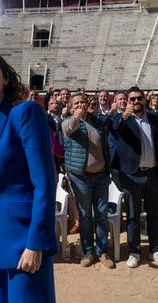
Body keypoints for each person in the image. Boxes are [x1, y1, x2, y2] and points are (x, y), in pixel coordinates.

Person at [0, 49, 57, 302]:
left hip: (23, 240)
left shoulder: (25, 113)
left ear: (5, 78)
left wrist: (36, 242)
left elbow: (45, 183)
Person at [112, 86, 158, 268]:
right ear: (128, 101)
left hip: (153, 173)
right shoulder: (122, 119)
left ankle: (156, 249)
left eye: (139, 99)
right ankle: (134, 251)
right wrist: (124, 115)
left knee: (155, 214)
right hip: (132, 176)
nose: (136, 102)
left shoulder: (153, 118)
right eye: (132, 99)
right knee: (133, 216)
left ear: (144, 100)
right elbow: (115, 129)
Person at [61, 93, 115, 269]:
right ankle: (88, 251)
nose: (80, 105)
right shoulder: (67, 122)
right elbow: (69, 129)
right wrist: (76, 115)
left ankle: (102, 251)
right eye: (76, 103)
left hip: (100, 176)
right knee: (85, 216)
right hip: (80, 178)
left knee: (101, 215)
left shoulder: (97, 121)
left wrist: (107, 171)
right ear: (70, 107)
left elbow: (105, 146)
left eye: (83, 101)